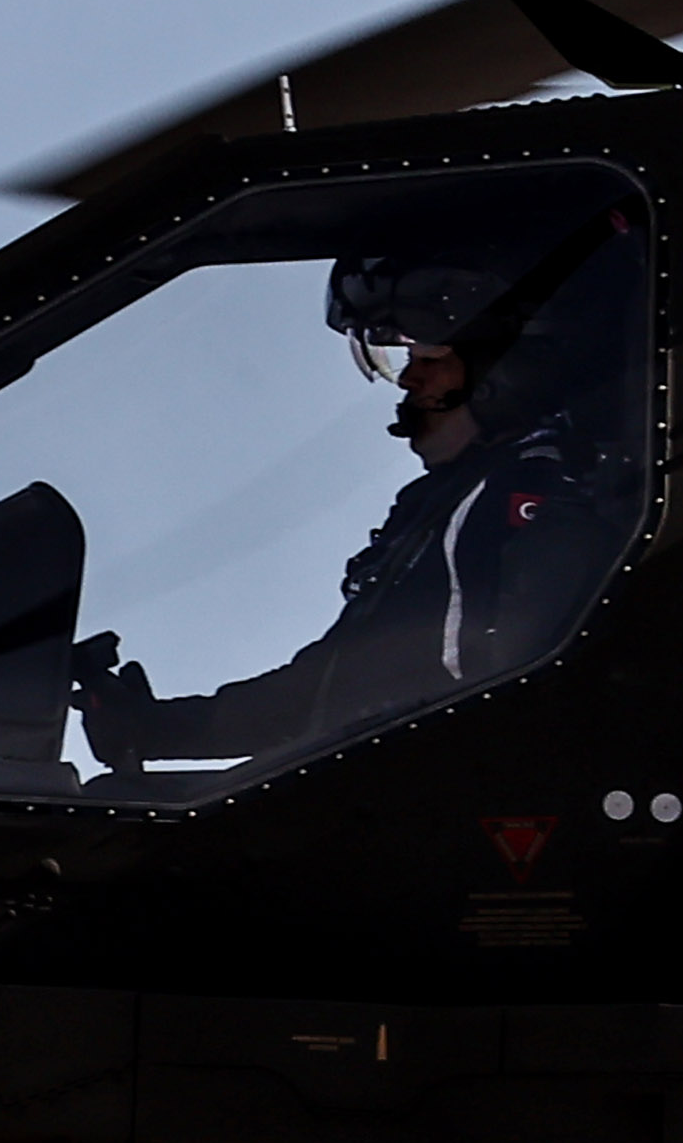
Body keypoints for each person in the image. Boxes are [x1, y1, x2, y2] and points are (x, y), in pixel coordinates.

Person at [74, 205, 645, 775]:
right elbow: (325, 691)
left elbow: (496, 684)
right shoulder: (446, 505)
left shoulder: (541, 493)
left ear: (507, 369)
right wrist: (153, 728)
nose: (409, 380)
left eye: (428, 357)